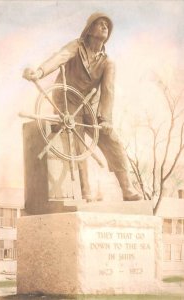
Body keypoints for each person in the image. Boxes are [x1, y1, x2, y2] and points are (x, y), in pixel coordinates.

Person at [23, 12, 142, 201]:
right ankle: (86, 191)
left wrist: (105, 120)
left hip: (89, 105)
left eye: (107, 25)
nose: (105, 27)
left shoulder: (107, 62)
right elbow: (59, 57)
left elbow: (108, 91)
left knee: (112, 140)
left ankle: (127, 188)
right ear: (89, 29)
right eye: (100, 24)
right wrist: (39, 72)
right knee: (77, 141)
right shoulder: (76, 46)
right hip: (67, 100)